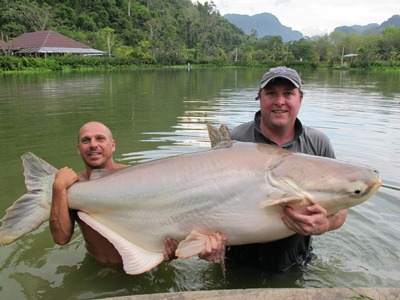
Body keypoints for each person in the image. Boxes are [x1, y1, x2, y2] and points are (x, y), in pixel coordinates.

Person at [205, 66, 348, 272]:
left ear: (300, 99)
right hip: (236, 263)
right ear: (259, 98)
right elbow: (207, 200)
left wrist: (326, 223)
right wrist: (207, 243)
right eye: (271, 93)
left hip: (296, 263)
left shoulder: (318, 145)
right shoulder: (234, 142)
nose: (279, 101)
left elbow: (342, 205)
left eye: (288, 93)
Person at [49, 121, 179, 266]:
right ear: (78, 149)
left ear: (112, 145)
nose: (93, 144)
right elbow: (61, 238)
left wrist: (171, 250)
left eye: (100, 138)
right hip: (96, 267)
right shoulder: (73, 188)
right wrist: (58, 188)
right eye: (86, 140)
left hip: (142, 268)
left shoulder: (137, 180)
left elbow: (166, 221)